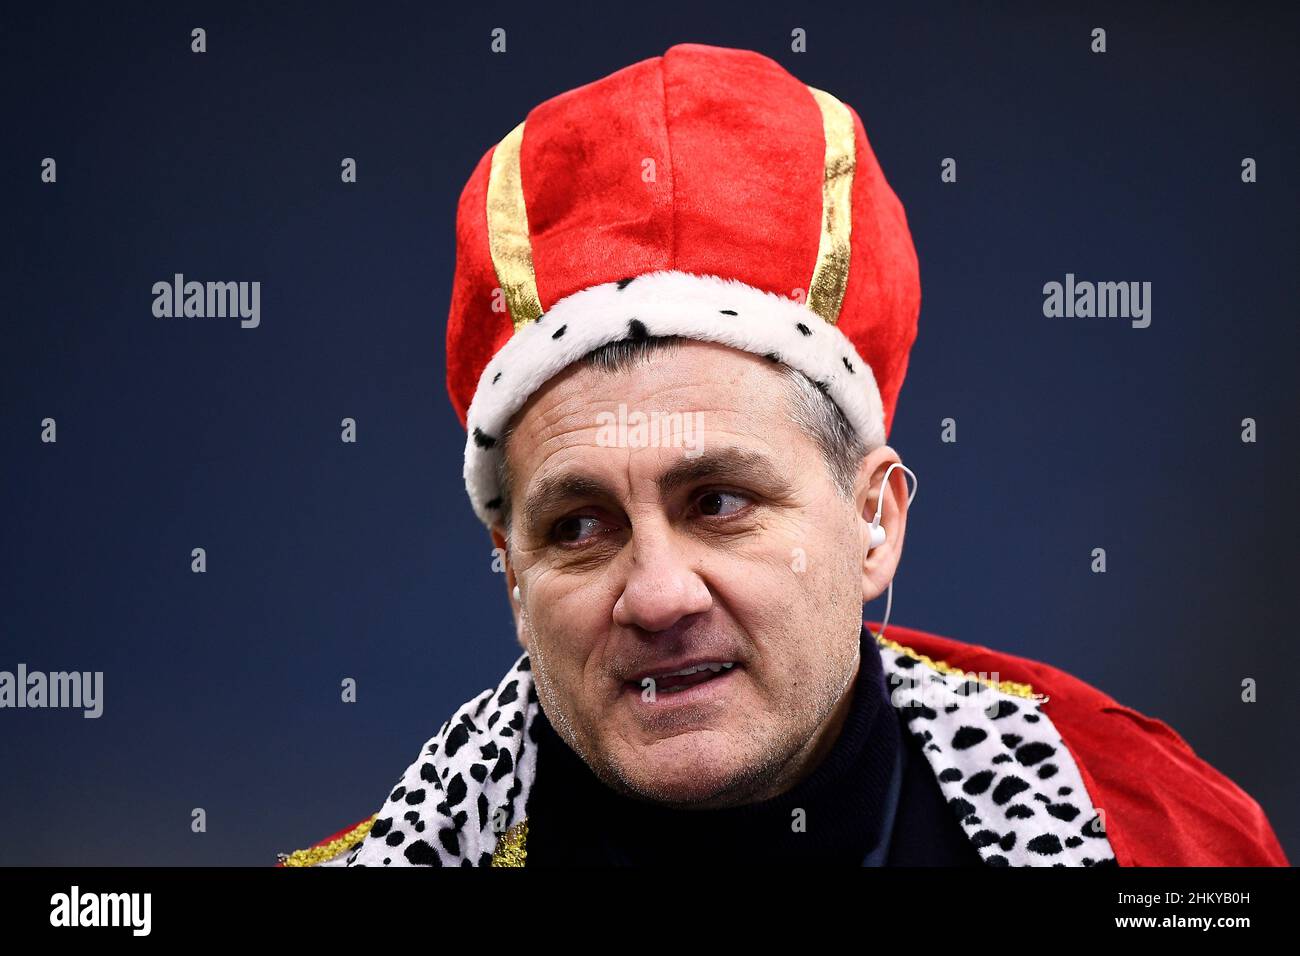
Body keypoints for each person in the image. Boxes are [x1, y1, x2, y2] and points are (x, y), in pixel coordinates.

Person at [277, 43, 1288, 868]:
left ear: (873, 522)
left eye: (717, 500)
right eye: (578, 526)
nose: (658, 595)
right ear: (510, 576)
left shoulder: (1163, 848)